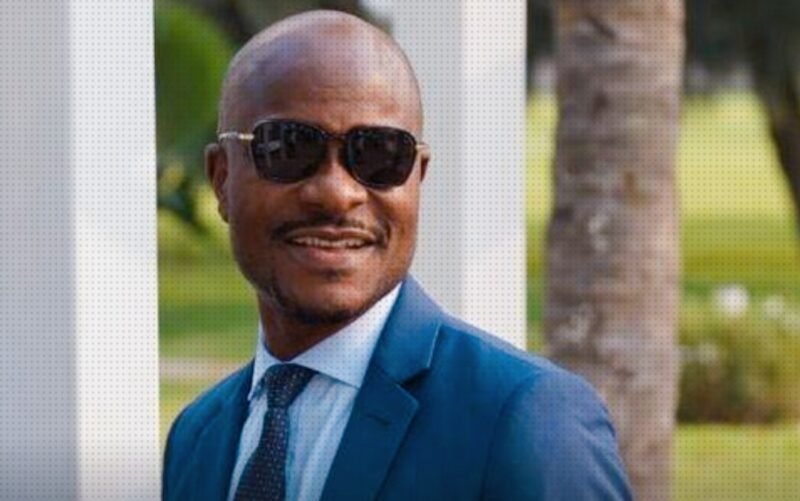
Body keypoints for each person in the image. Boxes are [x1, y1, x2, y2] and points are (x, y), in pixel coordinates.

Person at [163, 10, 631, 501]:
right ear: (221, 178)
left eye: (380, 154)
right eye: (288, 148)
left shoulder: (526, 419)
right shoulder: (197, 437)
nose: (337, 193)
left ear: (416, 178)